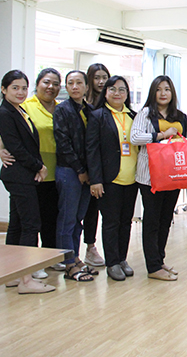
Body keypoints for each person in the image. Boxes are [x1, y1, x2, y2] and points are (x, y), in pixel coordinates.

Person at [0, 68, 62, 278]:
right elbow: (13, 142)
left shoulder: (20, 111)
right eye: (15, 88)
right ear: (4, 89)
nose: (20, 92)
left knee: (26, 221)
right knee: (29, 223)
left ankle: (16, 270)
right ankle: (27, 270)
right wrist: (38, 166)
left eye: (23, 88)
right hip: (26, 172)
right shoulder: (14, 110)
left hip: (41, 171)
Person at [131, 76, 187, 281]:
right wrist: (161, 135)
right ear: (152, 92)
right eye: (159, 89)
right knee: (152, 220)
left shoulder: (180, 116)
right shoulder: (146, 113)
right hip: (150, 176)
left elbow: (186, 142)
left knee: (166, 220)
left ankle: (159, 259)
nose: (163, 93)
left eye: (167, 89)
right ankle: (153, 266)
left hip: (173, 175)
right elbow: (135, 137)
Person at [86, 76, 139, 281]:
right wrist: (95, 179)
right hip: (109, 179)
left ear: (127, 94)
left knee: (126, 222)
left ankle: (122, 258)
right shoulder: (98, 115)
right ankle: (112, 262)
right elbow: (92, 149)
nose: (117, 93)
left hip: (132, 178)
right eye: (113, 89)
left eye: (122, 89)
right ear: (105, 92)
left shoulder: (133, 116)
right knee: (111, 222)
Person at [53, 70, 96, 282]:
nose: (75, 87)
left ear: (87, 87)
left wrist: (89, 172)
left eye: (79, 83)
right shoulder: (62, 110)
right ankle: (68, 263)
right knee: (67, 219)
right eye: (70, 83)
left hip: (87, 173)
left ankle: (76, 257)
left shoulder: (91, 110)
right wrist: (80, 170)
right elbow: (63, 143)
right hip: (69, 170)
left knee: (78, 218)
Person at [83, 63, 111, 267]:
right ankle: (89, 246)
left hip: (107, 167)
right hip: (86, 166)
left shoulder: (110, 105)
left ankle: (93, 248)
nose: (101, 82)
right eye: (96, 77)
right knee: (88, 210)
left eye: (104, 77)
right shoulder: (85, 105)